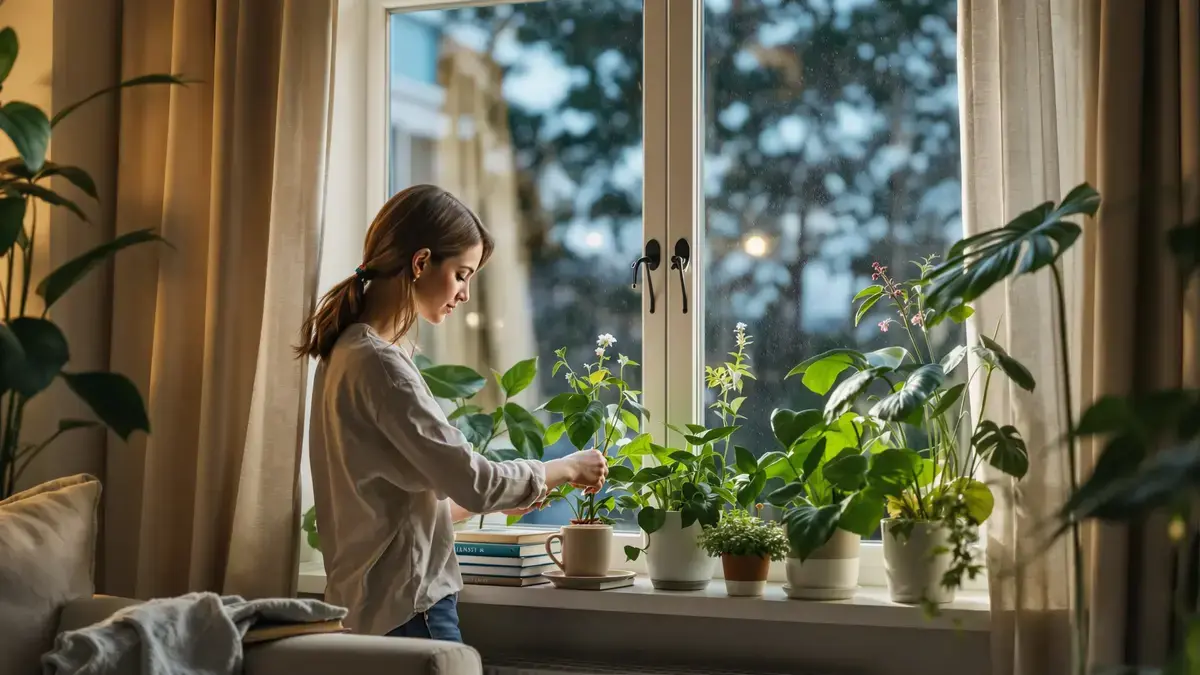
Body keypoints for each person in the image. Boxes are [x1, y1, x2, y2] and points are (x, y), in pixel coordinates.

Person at [295, 184, 607, 643]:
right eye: (462, 274)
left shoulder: (344, 352)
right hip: (410, 610)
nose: (464, 294)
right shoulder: (381, 364)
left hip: (369, 610)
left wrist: (523, 491)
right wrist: (563, 467)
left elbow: (402, 504)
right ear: (420, 263)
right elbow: (475, 483)